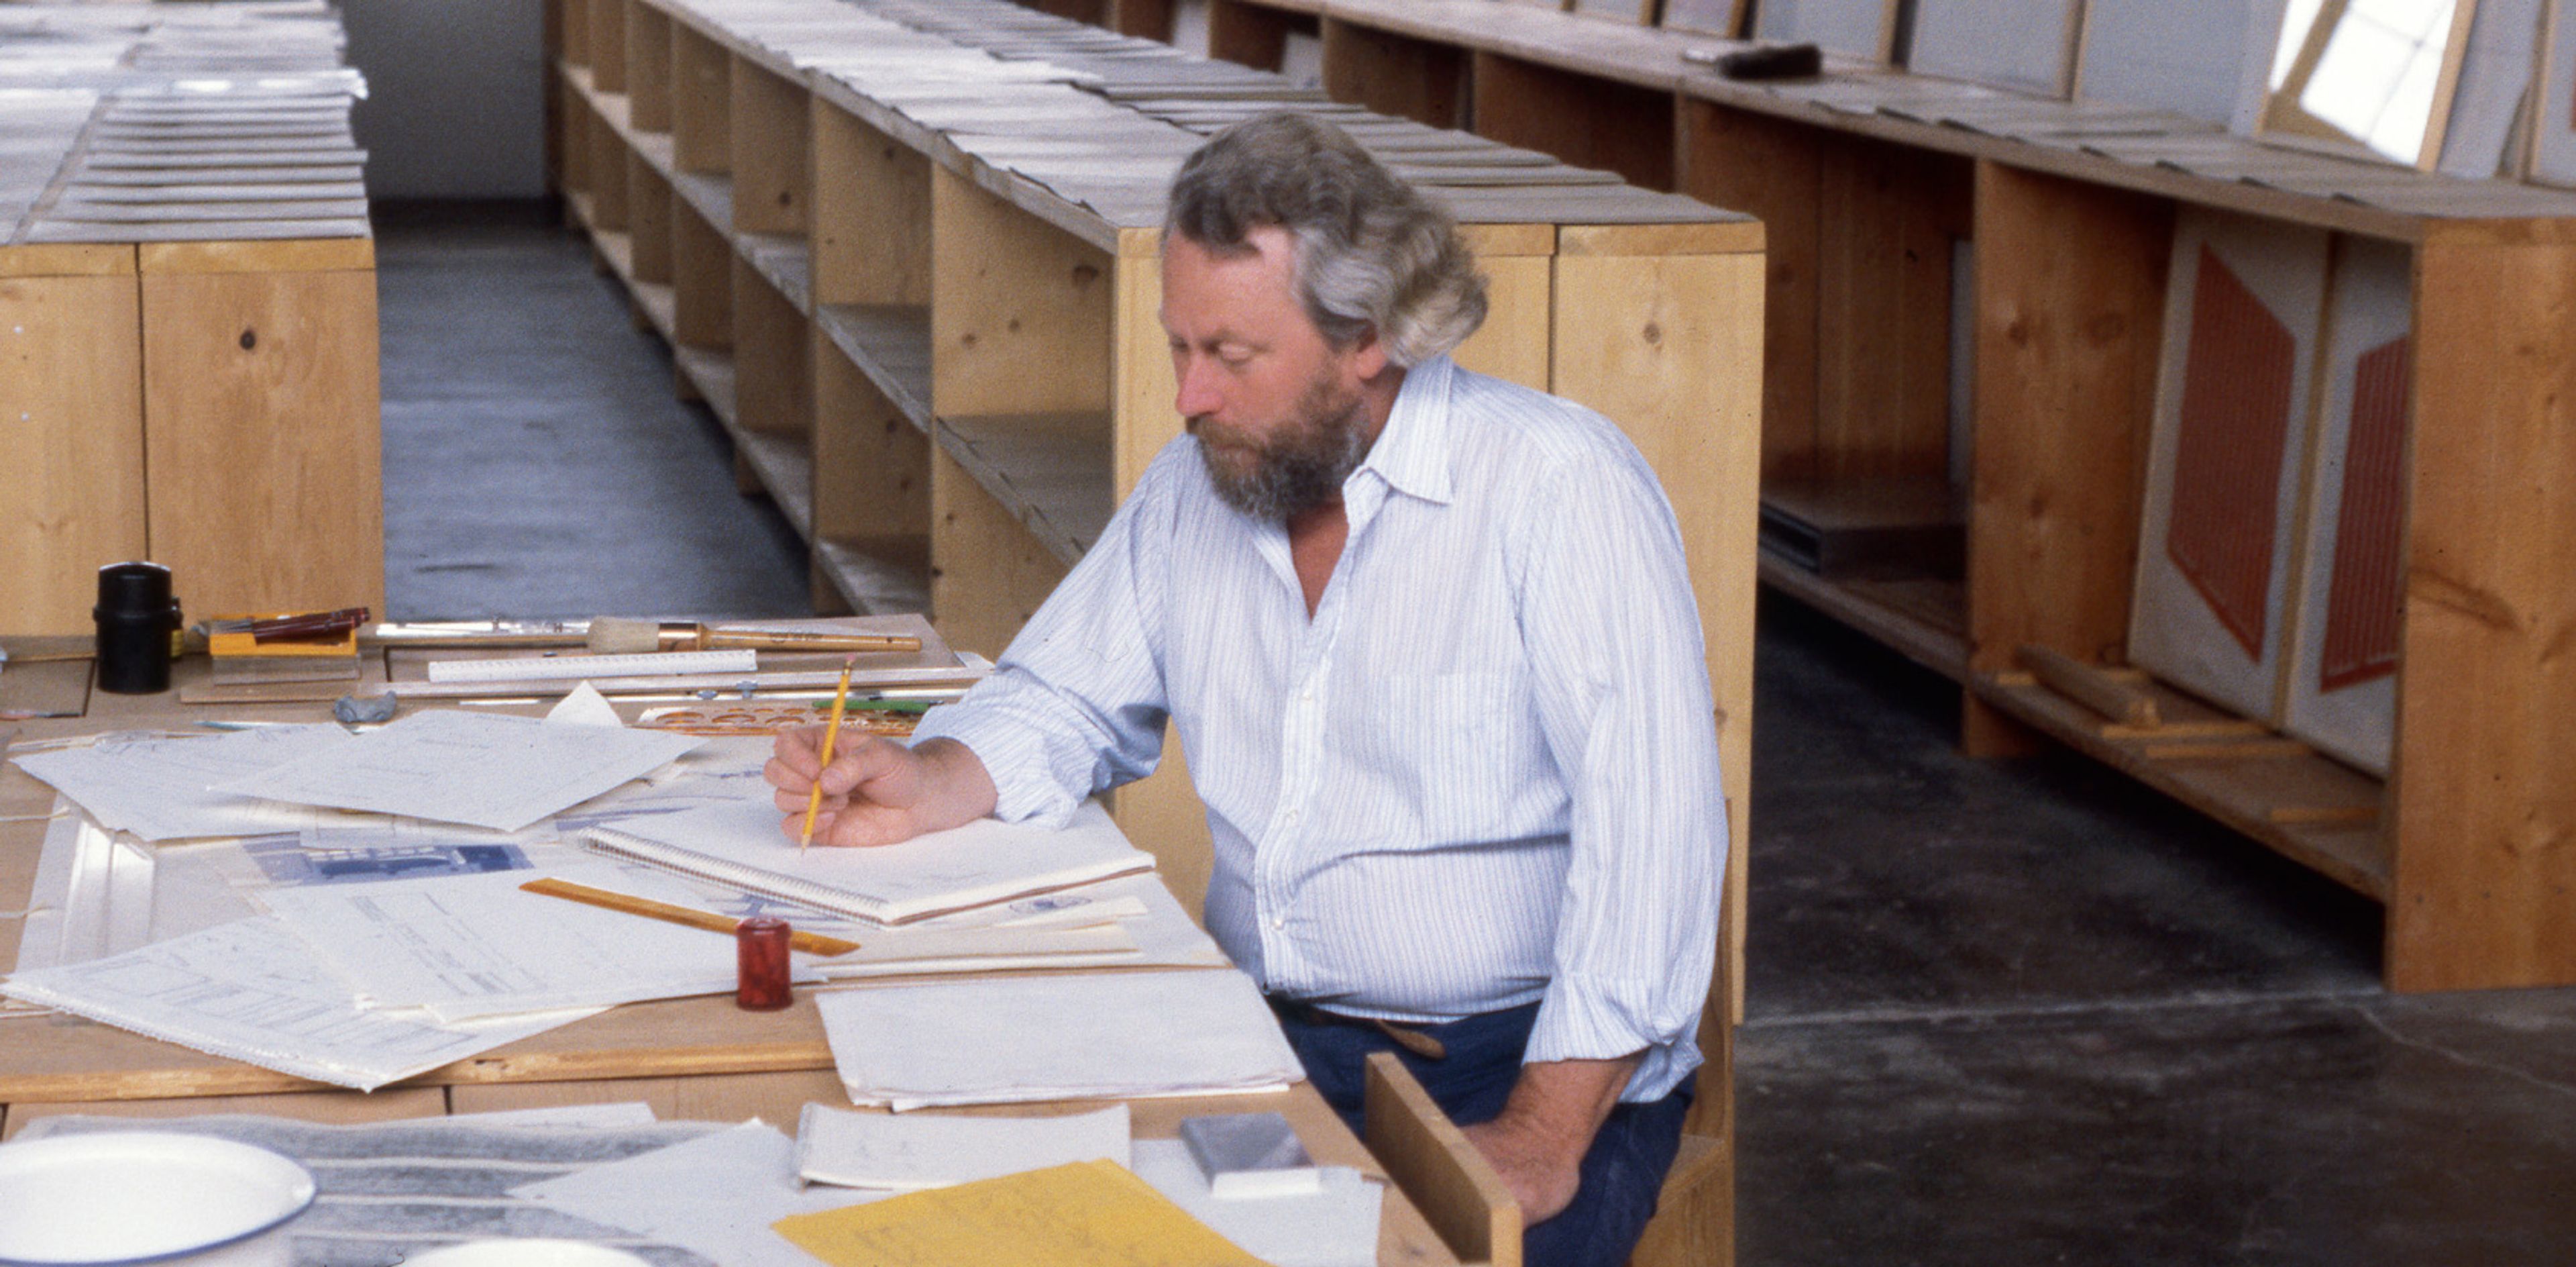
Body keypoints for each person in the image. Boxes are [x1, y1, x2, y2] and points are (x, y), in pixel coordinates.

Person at [766, 111, 1727, 1267]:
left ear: (1367, 338)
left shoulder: (1558, 489)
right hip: (1252, 1028)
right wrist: (926, 781)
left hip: (1526, 1058)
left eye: (1231, 356)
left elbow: (1655, 844)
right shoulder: (1204, 481)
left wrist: (1545, 1127)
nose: (1188, 398)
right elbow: (1067, 697)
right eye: (1180, 347)